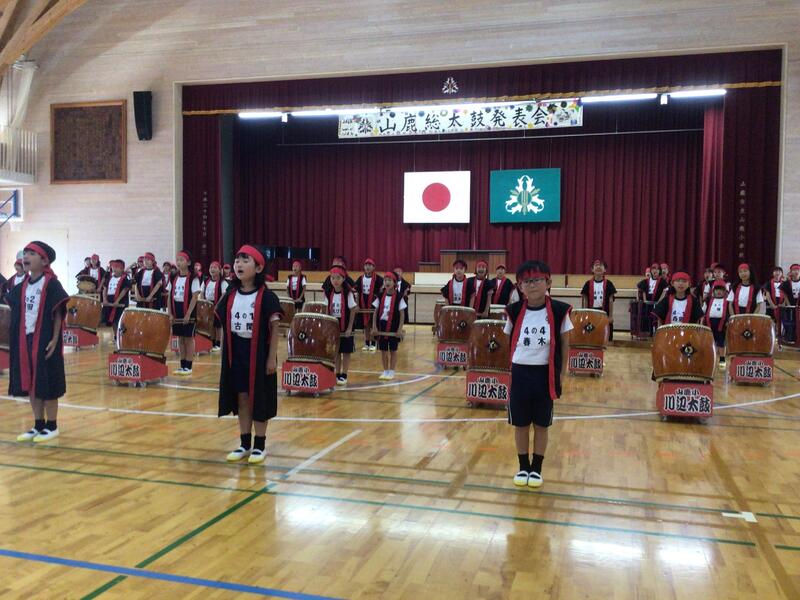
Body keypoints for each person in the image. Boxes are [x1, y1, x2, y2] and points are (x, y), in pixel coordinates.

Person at [504, 260, 573, 489]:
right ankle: (523, 466)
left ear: (548, 283)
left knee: (542, 424)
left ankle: (537, 468)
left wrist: (562, 374)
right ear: (520, 286)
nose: (532, 285)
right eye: (526, 281)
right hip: (520, 373)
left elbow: (565, 345)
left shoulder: (560, 311)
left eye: (537, 280)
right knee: (521, 424)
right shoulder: (513, 311)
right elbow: (508, 342)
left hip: (545, 375)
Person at [216, 245, 282, 464]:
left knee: (259, 398)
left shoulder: (267, 297)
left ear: (259, 267)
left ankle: (260, 445)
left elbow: (275, 328)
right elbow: (224, 326)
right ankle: (244, 443)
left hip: (259, 353)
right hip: (237, 352)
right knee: (242, 397)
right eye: (237, 260)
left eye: (245, 261)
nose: (239, 265)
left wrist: (271, 357)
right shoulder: (230, 294)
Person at [9, 241, 69, 443]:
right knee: (31, 382)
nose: (26, 256)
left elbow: (58, 312)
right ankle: (38, 424)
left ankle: (52, 425)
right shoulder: (22, 285)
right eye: (25, 253)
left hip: (44, 339)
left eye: (31, 253)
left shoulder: (51, 283)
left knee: (48, 381)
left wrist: (55, 339)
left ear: (44, 261)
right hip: (25, 340)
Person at [168, 251, 202, 376]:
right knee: (180, 338)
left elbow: (195, 297)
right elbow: (169, 296)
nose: (178, 262)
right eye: (177, 260)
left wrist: (188, 314)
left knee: (188, 338)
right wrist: (170, 313)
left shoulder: (194, 278)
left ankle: (189, 366)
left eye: (181, 260)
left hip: (188, 309)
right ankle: (182, 365)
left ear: (188, 263)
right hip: (176, 310)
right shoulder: (173, 277)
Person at [325, 266, 357, 385]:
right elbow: (327, 310)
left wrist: (349, 328)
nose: (335, 281)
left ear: (343, 279)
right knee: (337, 351)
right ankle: (337, 373)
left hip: (346, 323)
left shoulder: (348, 293)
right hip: (334, 324)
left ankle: (344, 374)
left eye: (338, 278)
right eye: (333, 278)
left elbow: (353, 310)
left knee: (346, 351)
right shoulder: (328, 293)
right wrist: (328, 326)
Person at [372, 272, 406, 381]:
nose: (387, 282)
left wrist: (399, 329)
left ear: (394, 283)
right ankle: (385, 370)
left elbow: (402, 314)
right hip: (382, 326)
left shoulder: (399, 297)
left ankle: (391, 371)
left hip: (393, 326)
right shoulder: (380, 295)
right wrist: (374, 326)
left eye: (389, 280)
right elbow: (375, 312)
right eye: (385, 280)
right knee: (383, 350)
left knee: (393, 350)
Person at [580, 259, 617, 341]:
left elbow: (611, 300)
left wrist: (610, 316)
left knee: (607, 338)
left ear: (605, 270)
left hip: (604, 313)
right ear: (592, 270)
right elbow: (585, 299)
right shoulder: (588, 284)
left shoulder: (609, 284)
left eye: (601, 265)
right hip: (591, 313)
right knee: (589, 336)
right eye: (596, 265)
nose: (598, 267)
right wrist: (584, 315)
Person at [355, 258, 382, 352]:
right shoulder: (360, 278)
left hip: (373, 303)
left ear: (373, 267)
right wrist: (357, 305)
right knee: (366, 324)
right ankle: (367, 343)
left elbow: (381, 291)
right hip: (363, 303)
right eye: (366, 265)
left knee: (372, 323)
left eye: (370, 265)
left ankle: (373, 343)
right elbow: (357, 293)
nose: (367, 267)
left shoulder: (378, 279)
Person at [202, 260, 229, 352]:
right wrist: (203, 303)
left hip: (218, 305)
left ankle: (218, 343)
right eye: (211, 267)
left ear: (220, 270)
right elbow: (202, 292)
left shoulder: (223, 282)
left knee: (218, 325)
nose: (212, 269)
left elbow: (224, 295)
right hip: (208, 304)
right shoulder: (206, 281)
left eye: (215, 267)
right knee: (211, 324)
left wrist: (217, 305)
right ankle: (212, 342)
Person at [101, 259, 131, 338]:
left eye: (117, 267)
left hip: (121, 302)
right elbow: (105, 288)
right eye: (113, 266)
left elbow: (125, 290)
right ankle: (116, 337)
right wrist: (105, 300)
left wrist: (117, 301)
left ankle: (122, 337)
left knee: (119, 321)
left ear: (122, 269)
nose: (114, 268)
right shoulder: (109, 278)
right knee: (113, 321)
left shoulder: (125, 279)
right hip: (110, 301)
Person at [703, 280, 729, 365]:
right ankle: (710, 358)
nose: (719, 292)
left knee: (721, 342)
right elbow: (703, 311)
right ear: (713, 291)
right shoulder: (708, 300)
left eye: (721, 290)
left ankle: (722, 359)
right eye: (717, 290)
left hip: (722, 325)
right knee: (710, 342)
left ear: (725, 292)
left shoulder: (727, 301)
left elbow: (729, 313)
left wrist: (728, 321)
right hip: (709, 324)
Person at [764, 266, 784, 338]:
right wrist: (772, 304)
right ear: (773, 273)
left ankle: (779, 337)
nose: (777, 273)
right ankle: (771, 336)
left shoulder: (785, 283)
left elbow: (786, 295)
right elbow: (767, 294)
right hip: (771, 305)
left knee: (780, 321)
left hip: (781, 305)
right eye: (775, 271)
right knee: (771, 321)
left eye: (779, 271)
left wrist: (782, 304)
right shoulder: (768, 283)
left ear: (781, 273)